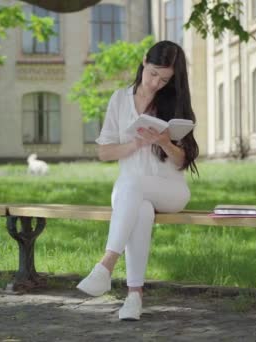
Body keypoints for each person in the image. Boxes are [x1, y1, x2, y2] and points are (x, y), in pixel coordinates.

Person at [76, 40, 199, 321]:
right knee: (140, 208)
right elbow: (104, 152)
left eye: (165, 79)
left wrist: (165, 142)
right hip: (130, 192)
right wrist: (134, 145)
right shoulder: (119, 99)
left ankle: (106, 265)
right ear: (144, 61)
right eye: (154, 73)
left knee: (133, 185)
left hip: (170, 190)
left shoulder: (175, 102)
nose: (157, 83)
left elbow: (183, 160)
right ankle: (134, 297)